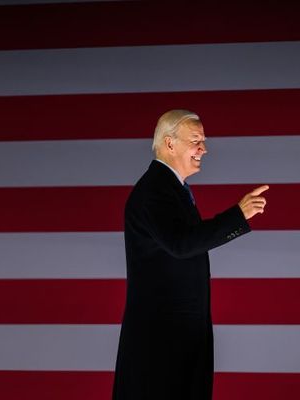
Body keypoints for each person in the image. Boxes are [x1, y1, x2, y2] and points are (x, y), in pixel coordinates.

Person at [112, 109, 268, 400]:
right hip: (161, 342)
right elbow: (182, 244)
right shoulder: (154, 191)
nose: (204, 148)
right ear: (170, 144)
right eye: (196, 139)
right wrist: (238, 216)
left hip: (176, 337)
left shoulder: (172, 189)